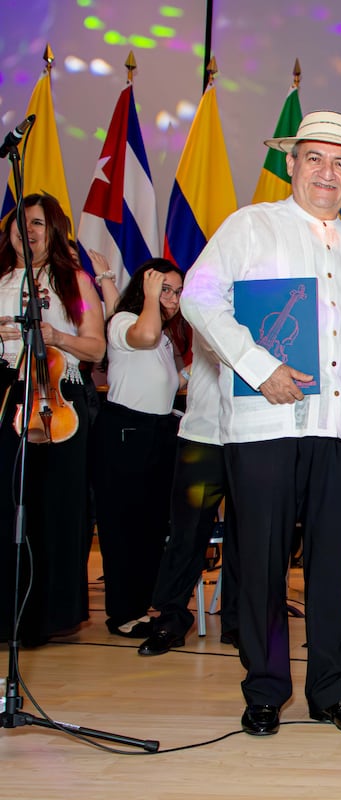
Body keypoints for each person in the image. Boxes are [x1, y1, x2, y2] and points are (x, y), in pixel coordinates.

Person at [180, 110, 341, 737]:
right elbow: (198, 295)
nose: (327, 173)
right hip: (262, 424)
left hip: (337, 429)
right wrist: (256, 364)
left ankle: (332, 690)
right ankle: (266, 690)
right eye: (315, 159)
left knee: (333, 564)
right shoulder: (251, 227)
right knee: (263, 562)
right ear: (292, 164)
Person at [0, 193, 106, 646]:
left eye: (39, 222)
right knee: (7, 506)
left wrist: (55, 335)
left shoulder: (73, 282)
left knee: (52, 509)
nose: (29, 230)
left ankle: (46, 615)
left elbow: (96, 348)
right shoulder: (1, 279)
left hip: (59, 399)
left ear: (54, 230)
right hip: (9, 394)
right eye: (21, 222)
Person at [93, 259, 186, 637]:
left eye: (178, 291)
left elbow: (171, 382)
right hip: (125, 431)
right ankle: (122, 613)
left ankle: (143, 605)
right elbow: (142, 336)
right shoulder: (124, 324)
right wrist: (146, 295)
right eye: (165, 288)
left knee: (150, 527)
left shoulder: (161, 334)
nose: (173, 298)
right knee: (123, 527)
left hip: (157, 432)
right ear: (145, 288)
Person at [136, 335, 241, 655]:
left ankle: (238, 621)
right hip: (202, 435)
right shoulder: (207, 291)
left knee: (248, 536)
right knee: (187, 533)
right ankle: (171, 617)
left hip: (252, 435)